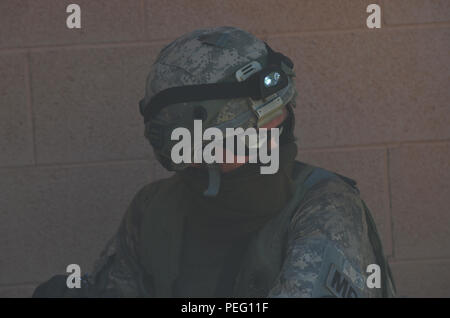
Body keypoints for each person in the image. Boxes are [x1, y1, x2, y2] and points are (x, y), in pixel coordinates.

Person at [33, 26, 395, 298]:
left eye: (281, 115)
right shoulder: (153, 208)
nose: (279, 131)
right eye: (261, 123)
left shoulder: (325, 206)